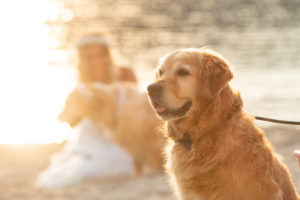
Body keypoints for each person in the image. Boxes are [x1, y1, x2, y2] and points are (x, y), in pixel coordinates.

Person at [37, 33, 137, 188]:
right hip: (91, 139)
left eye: (99, 55)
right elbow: (67, 121)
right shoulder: (80, 88)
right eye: (89, 57)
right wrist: (83, 109)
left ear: (107, 55)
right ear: (82, 60)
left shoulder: (125, 73)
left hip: (123, 137)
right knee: (79, 167)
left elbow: (138, 110)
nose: (95, 61)